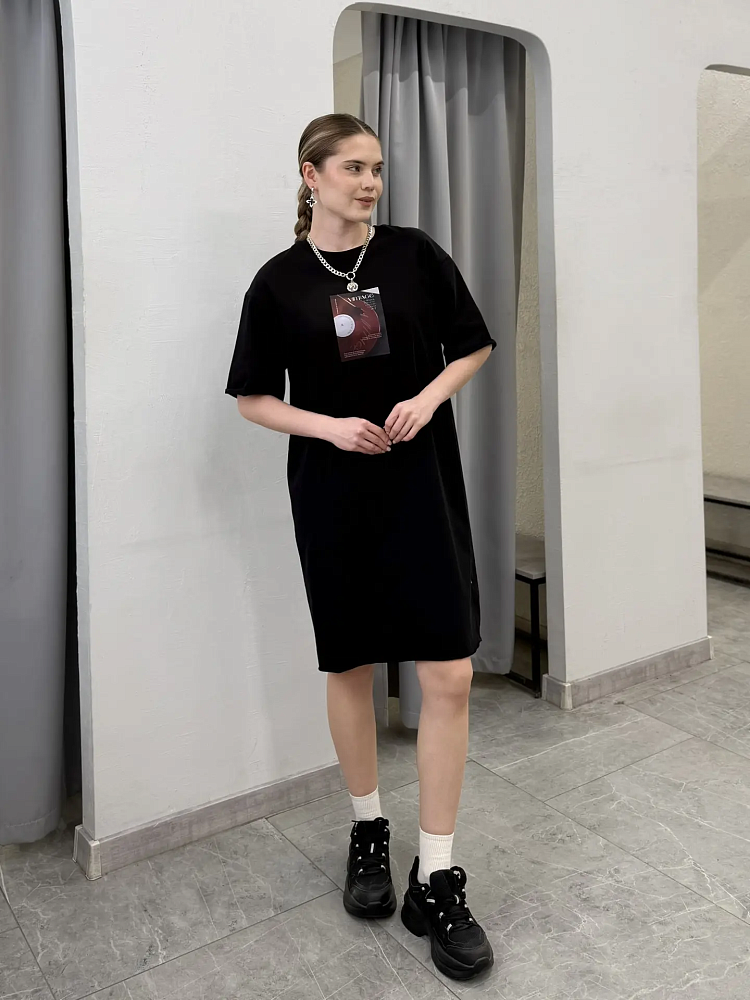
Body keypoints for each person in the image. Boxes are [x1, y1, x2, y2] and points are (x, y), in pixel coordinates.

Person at [225, 113, 497, 982]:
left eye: (376, 168)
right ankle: (368, 829)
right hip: (334, 494)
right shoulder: (277, 284)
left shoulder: (415, 256)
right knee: (349, 666)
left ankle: (438, 873)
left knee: (448, 672)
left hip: (422, 485)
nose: (370, 182)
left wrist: (429, 395)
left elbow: (474, 345)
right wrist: (330, 427)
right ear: (311, 176)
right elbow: (253, 397)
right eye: (352, 168)